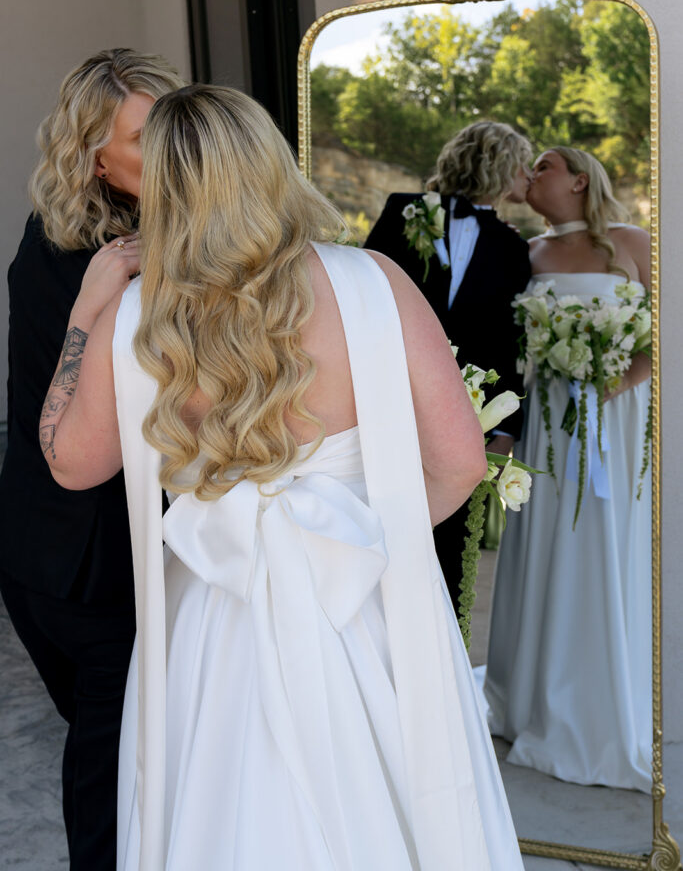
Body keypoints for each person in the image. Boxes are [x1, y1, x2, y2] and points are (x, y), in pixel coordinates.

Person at [39, 84, 525, 869]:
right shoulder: (374, 281)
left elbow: (69, 463)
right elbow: (462, 461)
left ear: (160, 183)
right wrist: (360, 538)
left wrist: (84, 314)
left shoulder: (136, 313)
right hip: (362, 594)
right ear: (271, 163)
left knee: (223, 802)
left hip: (213, 604)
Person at [0, 48, 185, 869]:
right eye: (144, 138)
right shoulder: (82, 255)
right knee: (113, 767)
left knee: (131, 752)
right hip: (84, 566)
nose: (169, 150)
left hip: (70, 552)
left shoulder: (142, 237)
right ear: (93, 157)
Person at [482, 146, 652, 791]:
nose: (531, 172)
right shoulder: (525, 253)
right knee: (550, 539)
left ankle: (607, 690)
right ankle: (531, 695)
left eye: (545, 164)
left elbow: (667, 328)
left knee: (605, 539)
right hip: (550, 420)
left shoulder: (631, 241)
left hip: (616, 416)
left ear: (580, 180)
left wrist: (617, 380)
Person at [364, 120, 532, 601]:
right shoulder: (404, 211)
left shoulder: (513, 246)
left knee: (453, 544)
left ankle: (445, 636)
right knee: (384, 525)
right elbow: (365, 294)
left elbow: (508, 339)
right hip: (391, 396)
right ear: (499, 165)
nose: (527, 176)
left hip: (467, 408)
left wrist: (506, 428)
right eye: (522, 165)